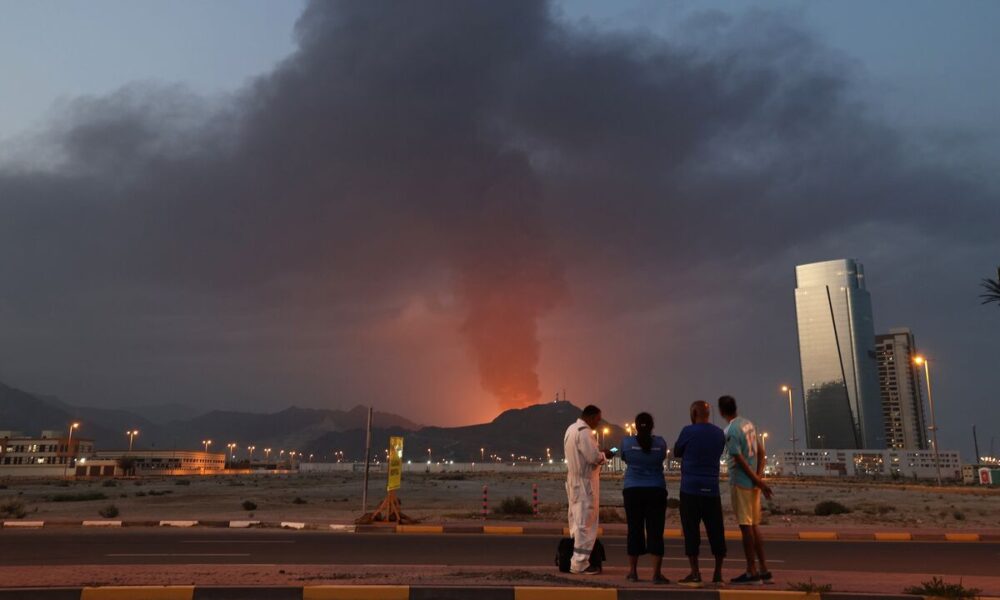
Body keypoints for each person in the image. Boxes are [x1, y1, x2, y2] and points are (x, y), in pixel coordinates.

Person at [718, 395, 773, 585]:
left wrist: (757, 481)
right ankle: (764, 569)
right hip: (753, 484)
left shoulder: (731, 430)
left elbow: (739, 461)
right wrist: (759, 479)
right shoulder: (749, 424)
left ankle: (751, 571)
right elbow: (762, 453)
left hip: (741, 483)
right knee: (754, 526)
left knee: (746, 527)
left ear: (721, 412)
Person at [673, 400, 727, 587]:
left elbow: (677, 451)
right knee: (716, 531)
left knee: (691, 531)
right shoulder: (719, 433)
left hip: (690, 489)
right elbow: (719, 451)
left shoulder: (688, 431)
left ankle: (695, 573)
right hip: (712, 489)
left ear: (694, 413)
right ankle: (718, 573)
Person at [563, 404, 613, 574]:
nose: (598, 424)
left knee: (577, 523)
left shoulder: (571, 429)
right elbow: (593, 457)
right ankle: (580, 564)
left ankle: (576, 559)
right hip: (585, 484)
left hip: (574, 481)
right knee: (586, 523)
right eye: (597, 420)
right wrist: (605, 455)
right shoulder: (585, 432)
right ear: (590, 418)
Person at [620, 412, 669, 584]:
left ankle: (633, 572)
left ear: (635, 425)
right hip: (656, 489)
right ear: (652, 426)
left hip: (633, 490)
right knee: (656, 531)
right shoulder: (660, 443)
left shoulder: (627, 443)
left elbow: (624, 458)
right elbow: (662, 457)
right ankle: (656, 574)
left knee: (634, 529)